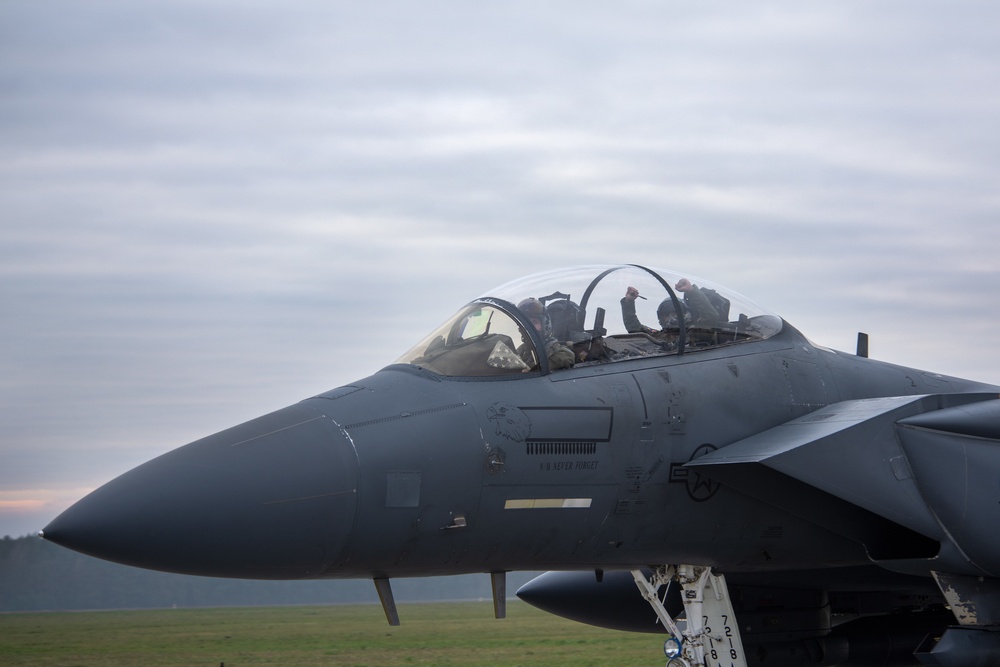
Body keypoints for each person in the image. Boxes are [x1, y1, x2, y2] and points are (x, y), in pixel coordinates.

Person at [620, 278, 721, 341]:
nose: (670, 319)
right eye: (666, 315)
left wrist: (691, 291)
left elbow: (711, 316)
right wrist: (629, 302)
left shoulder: (697, 332)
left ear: (684, 313)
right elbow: (634, 327)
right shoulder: (659, 336)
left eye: (674, 313)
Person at [516, 298, 576, 370]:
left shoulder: (555, 349)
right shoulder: (522, 350)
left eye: (534, 322)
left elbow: (567, 357)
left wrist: (533, 368)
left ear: (545, 324)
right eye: (525, 324)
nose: (529, 327)